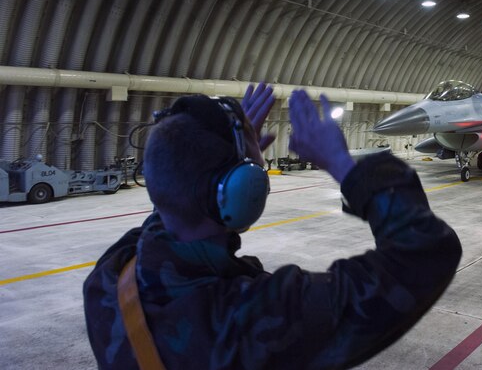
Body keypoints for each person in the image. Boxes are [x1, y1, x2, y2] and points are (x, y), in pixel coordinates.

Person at [83, 84, 462, 369]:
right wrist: (343, 164)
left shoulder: (110, 277)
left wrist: (230, 156)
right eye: (254, 171)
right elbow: (424, 253)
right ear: (242, 189)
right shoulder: (253, 320)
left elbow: (175, 194)